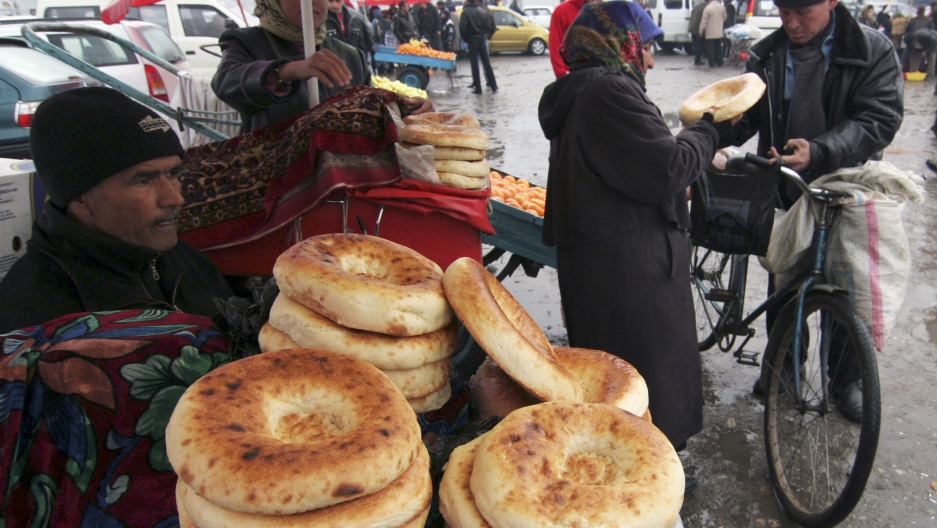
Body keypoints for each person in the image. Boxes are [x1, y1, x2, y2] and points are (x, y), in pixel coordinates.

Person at [538, 0, 734, 473]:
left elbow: (639, 161)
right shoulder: (608, 91)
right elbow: (667, 168)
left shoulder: (585, 89)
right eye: (644, 46)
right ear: (619, 44)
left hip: (610, 263)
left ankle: (636, 468)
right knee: (646, 391)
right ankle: (649, 478)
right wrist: (707, 133)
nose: (649, 59)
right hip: (629, 273)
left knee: (619, 388)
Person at [718, 0, 903, 420]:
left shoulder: (872, 50)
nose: (792, 22)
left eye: (803, 10)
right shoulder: (767, 55)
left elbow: (880, 119)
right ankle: (783, 364)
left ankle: (844, 379)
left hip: (845, 186)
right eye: (784, 10)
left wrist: (821, 150)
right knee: (784, 281)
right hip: (787, 187)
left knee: (846, 286)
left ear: (832, 2)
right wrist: (703, 137)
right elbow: (745, 117)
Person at [0, 87, 234, 334]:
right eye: (144, 180)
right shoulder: (41, 319)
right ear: (80, 198)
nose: (175, 198)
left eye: (173, 173)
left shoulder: (181, 259)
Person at [212, 0, 431, 133]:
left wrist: (405, 110)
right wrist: (289, 71)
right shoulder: (247, 42)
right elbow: (226, 83)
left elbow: (370, 111)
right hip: (276, 185)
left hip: (340, 186)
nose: (312, 3)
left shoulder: (349, 54)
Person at [460, 0, 498, 93]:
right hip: (482, 38)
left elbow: (463, 28)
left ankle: (478, 87)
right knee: (487, 63)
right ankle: (493, 85)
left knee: (474, 64)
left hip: (472, 39)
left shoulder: (465, 12)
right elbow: (488, 25)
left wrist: (466, 39)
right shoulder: (482, 11)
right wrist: (484, 35)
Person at [548, 0, 594, 77]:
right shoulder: (562, 11)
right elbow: (555, 45)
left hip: (600, 74)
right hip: (572, 74)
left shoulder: (602, 9)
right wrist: (562, 75)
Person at [325, 0, 375, 65]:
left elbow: (369, 43)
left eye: (338, 0)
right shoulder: (321, 19)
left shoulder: (357, 18)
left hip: (356, 65)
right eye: (330, 1)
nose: (334, 5)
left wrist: (362, 59)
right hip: (333, 67)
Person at [699, 0, 727, 66]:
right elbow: (725, 17)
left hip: (710, 33)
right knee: (718, 48)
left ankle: (711, 63)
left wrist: (701, 31)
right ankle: (719, 62)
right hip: (719, 32)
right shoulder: (722, 7)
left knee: (710, 49)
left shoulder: (707, 8)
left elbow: (704, 21)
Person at [689, 0, 707, 65]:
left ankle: (697, 59)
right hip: (697, 29)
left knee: (696, 45)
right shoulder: (704, 8)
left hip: (693, 28)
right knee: (699, 45)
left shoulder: (696, 8)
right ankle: (697, 60)